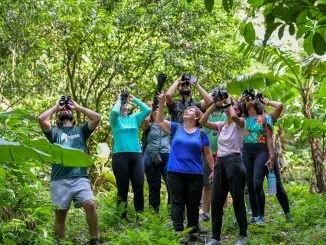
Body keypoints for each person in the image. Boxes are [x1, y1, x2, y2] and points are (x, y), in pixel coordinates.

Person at [38, 98, 101, 244]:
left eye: (68, 108)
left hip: (80, 177)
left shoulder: (81, 131)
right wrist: (55, 107)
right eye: (63, 108)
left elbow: (97, 117)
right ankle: (60, 242)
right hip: (59, 180)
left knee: (90, 205)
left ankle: (95, 239)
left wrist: (78, 108)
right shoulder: (54, 132)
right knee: (60, 215)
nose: (66, 108)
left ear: (73, 116)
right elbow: (41, 119)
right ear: (59, 117)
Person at [155, 91, 215, 237]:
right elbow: (159, 121)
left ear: (196, 117)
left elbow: (207, 153)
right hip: (175, 172)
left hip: (195, 173)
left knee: (193, 203)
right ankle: (178, 231)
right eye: (186, 110)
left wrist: (213, 169)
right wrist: (162, 102)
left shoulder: (201, 133)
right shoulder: (176, 128)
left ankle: (193, 230)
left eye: (190, 110)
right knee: (177, 201)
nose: (186, 111)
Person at [200, 97, 248, 245]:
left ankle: (243, 235)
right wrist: (213, 106)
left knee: (237, 200)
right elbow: (202, 122)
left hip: (234, 162)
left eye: (232, 105)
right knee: (216, 201)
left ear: (238, 109)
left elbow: (233, 116)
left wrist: (228, 103)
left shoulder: (241, 123)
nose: (228, 106)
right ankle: (216, 238)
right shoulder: (222, 126)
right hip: (220, 163)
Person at [109, 93, 151, 219]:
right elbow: (115, 112)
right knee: (123, 189)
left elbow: (147, 110)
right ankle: (122, 217)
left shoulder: (134, 118)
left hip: (136, 156)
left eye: (125, 103)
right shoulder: (115, 120)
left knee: (138, 186)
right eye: (122, 104)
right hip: (120, 157)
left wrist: (135, 99)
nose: (124, 104)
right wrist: (119, 99)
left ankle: (140, 217)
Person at [241, 89, 275, 225]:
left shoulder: (265, 118)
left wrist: (271, 156)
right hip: (246, 151)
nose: (250, 100)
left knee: (257, 183)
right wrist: (242, 98)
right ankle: (254, 215)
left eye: (251, 98)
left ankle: (261, 215)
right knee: (249, 184)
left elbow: (269, 139)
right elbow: (231, 112)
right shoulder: (242, 119)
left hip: (261, 151)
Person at [259, 96, 292, 221]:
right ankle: (259, 216)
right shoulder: (248, 118)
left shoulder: (269, 118)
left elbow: (279, 106)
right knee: (257, 186)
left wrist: (266, 101)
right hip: (254, 156)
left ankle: (287, 213)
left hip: (269, 155)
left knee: (277, 185)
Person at [141, 102, 170, 212]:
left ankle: (171, 212)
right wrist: (149, 110)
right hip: (152, 155)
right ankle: (154, 212)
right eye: (154, 108)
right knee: (154, 185)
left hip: (167, 154)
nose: (155, 109)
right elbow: (143, 124)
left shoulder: (167, 121)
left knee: (171, 183)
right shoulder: (148, 124)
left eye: (157, 107)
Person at [200, 106, 227, 222]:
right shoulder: (206, 113)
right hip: (207, 152)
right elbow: (202, 121)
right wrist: (211, 106)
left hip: (222, 153)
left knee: (223, 184)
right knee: (207, 184)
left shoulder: (226, 114)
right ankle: (205, 212)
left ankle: (222, 211)